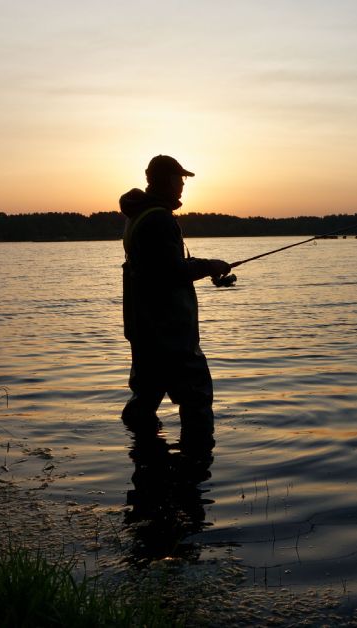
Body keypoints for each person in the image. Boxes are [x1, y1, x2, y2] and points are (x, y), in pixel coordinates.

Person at [119, 154, 230, 447]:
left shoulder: (138, 215)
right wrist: (210, 265)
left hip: (145, 331)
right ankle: (195, 475)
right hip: (170, 335)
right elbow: (172, 271)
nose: (182, 185)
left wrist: (204, 270)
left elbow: (158, 270)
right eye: (179, 179)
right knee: (197, 400)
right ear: (167, 180)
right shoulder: (158, 219)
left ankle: (144, 465)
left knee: (143, 401)